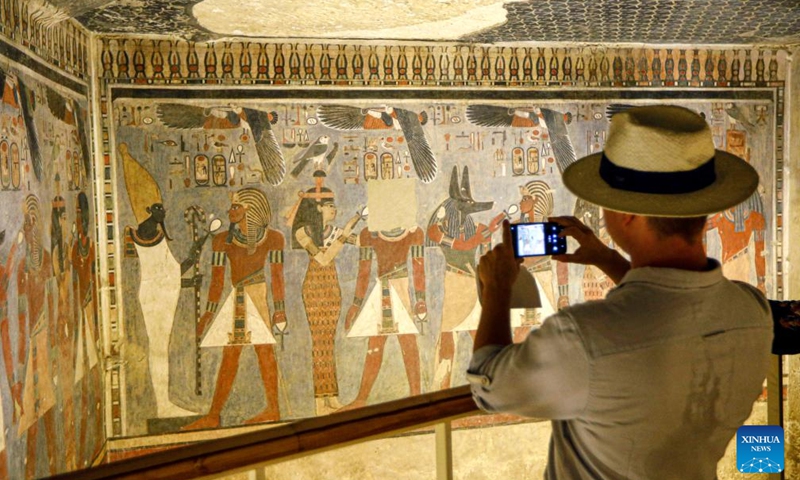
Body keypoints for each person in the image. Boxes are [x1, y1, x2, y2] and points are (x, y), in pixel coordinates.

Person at [469, 105, 772, 480]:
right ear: (703, 210)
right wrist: (607, 259)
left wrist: (498, 288)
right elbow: (672, 311)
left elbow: (488, 385)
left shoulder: (584, 338)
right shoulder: (751, 312)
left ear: (626, 216)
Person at [186, 187, 287, 429]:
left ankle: (273, 409)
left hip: (258, 294)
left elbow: (277, 276)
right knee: (230, 355)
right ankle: (214, 414)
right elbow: (218, 280)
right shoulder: (222, 240)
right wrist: (209, 313)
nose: (230, 211)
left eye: (236, 206)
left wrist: (279, 310)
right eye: (231, 206)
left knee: (265, 352)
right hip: (237, 298)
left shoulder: (273, 238)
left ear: (251, 209)